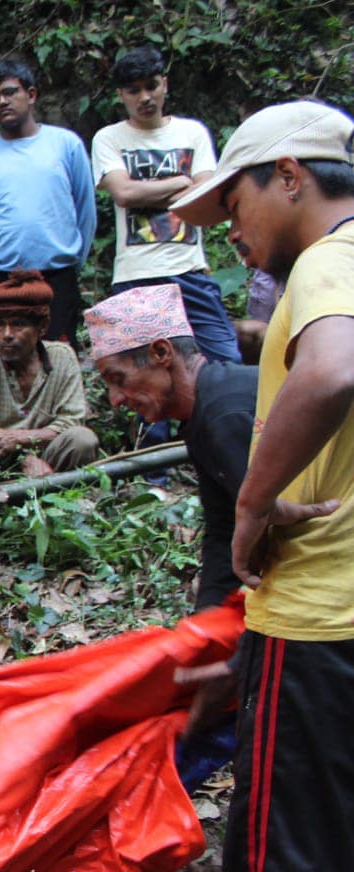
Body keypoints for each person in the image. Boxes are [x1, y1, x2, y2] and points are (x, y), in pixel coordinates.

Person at [167, 98, 354, 872]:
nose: (228, 226)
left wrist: (253, 502)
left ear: (289, 174)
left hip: (319, 617)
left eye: (232, 198)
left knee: (280, 864)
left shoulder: (327, 263)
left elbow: (329, 374)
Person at [84, 283, 257, 789]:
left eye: (119, 379)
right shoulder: (203, 414)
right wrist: (203, 636)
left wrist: (243, 658)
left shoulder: (225, 413)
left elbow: (286, 549)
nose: (116, 400)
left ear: (161, 354)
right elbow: (226, 531)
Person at [91, 46, 240, 364]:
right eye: (134, 90)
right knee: (147, 378)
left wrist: (152, 190)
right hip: (136, 274)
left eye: (151, 86)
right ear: (121, 95)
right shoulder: (109, 138)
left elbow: (207, 192)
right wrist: (180, 183)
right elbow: (124, 194)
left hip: (189, 269)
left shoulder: (192, 132)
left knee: (226, 361)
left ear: (165, 84)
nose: (144, 97)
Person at [0, 58, 96, 343]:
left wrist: (72, 261)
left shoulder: (66, 145)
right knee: (4, 361)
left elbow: (85, 210)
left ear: (31, 95)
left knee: (58, 359)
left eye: (10, 92)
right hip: (2, 279)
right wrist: (0, 260)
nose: (3, 101)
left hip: (56, 276)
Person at [0, 269, 99, 476]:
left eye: (18, 325)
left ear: (41, 327)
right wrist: (22, 458)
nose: (7, 334)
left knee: (83, 439)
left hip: (46, 457)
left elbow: (70, 421)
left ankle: (55, 490)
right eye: (0, 325)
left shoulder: (62, 356)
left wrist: (19, 439)